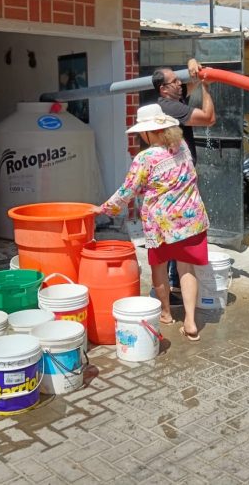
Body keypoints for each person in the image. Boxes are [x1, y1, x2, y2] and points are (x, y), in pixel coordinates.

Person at [99, 103, 209, 341]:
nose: (139, 135)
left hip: (161, 225)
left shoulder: (145, 157)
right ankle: (190, 321)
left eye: (141, 131)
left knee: (159, 268)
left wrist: (103, 208)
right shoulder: (183, 146)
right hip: (191, 220)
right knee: (186, 268)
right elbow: (192, 176)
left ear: (149, 132)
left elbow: (127, 191)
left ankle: (167, 314)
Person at [152, 59, 215, 297]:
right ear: (163, 89)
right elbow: (209, 118)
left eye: (179, 79)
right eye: (175, 81)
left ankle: (174, 284)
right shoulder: (171, 108)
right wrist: (207, 88)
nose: (180, 83)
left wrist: (192, 65)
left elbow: (190, 85)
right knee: (181, 232)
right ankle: (176, 285)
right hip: (179, 183)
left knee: (173, 233)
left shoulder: (170, 104)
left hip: (174, 180)